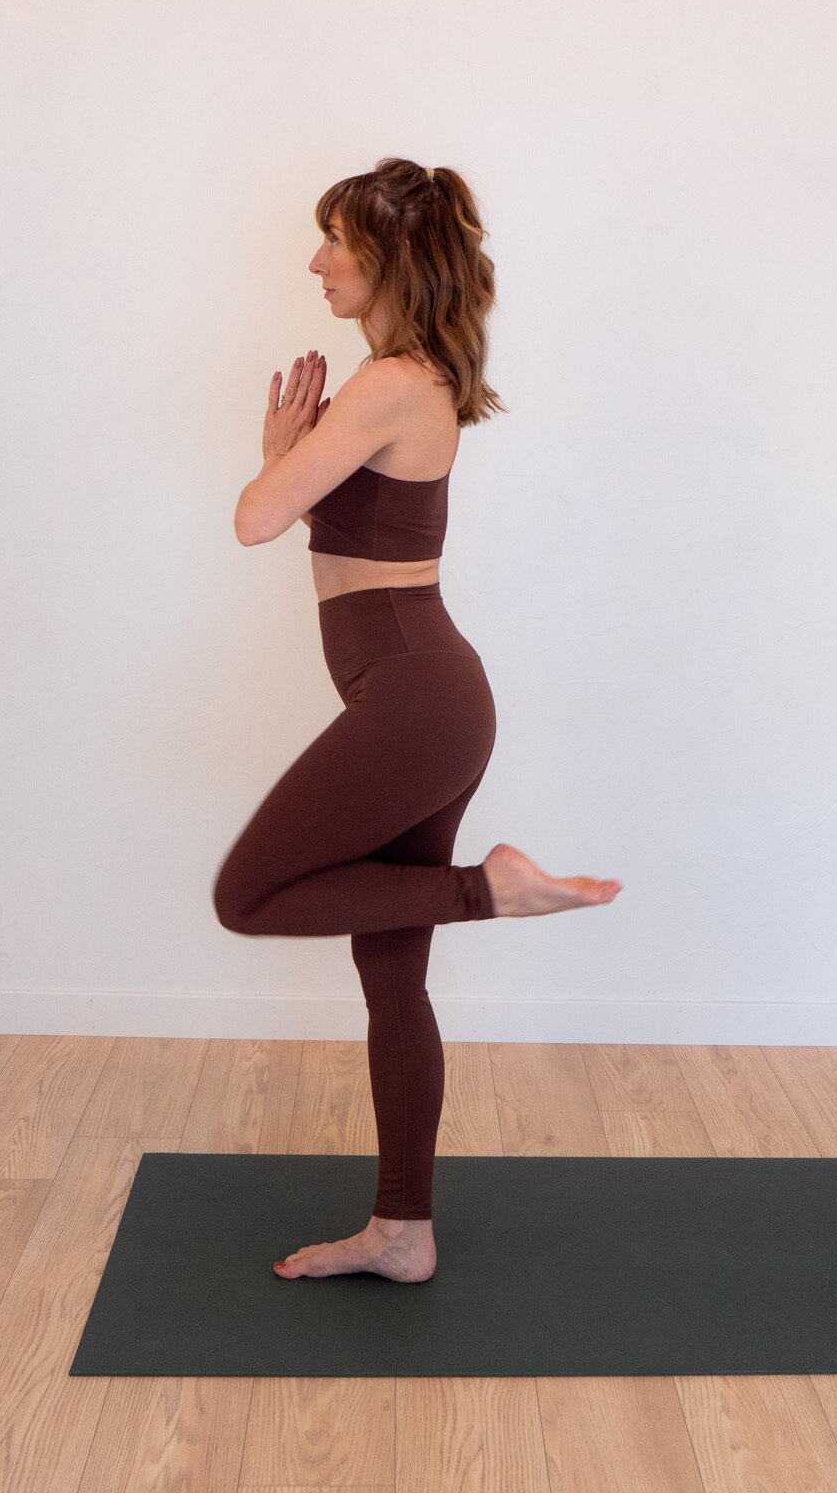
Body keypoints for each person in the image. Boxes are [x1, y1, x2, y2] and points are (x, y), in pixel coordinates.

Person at [212, 157, 621, 1283]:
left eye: (334, 238)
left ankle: (493, 888)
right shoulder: (411, 376)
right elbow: (294, 506)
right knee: (392, 976)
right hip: (425, 696)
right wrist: (285, 455)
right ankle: (403, 1228)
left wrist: (275, 458)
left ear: (387, 254)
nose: (315, 260)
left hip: (414, 701)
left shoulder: (390, 381)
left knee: (244, 894)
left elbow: (256, 520)